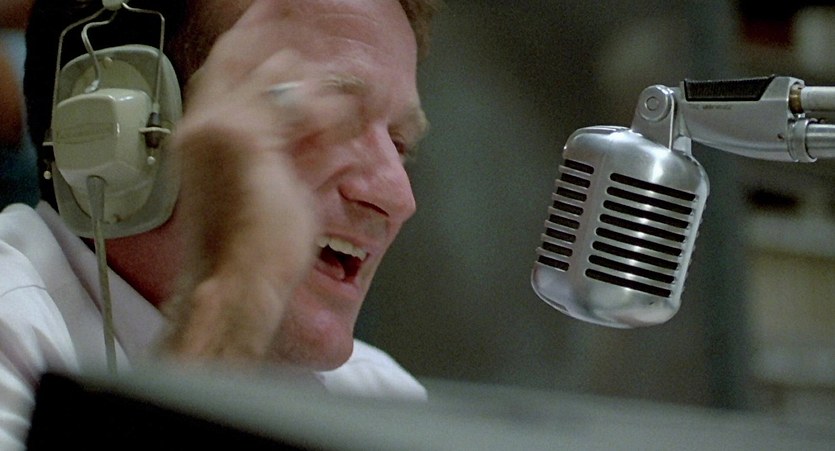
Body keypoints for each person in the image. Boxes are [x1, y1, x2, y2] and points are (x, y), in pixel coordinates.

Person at [0, 0, 439, 448]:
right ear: (119, 132)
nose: (398, 198)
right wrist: (234, 301)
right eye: (329, 116)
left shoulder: (383, 396)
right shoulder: (11, 330)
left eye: (400, 144)